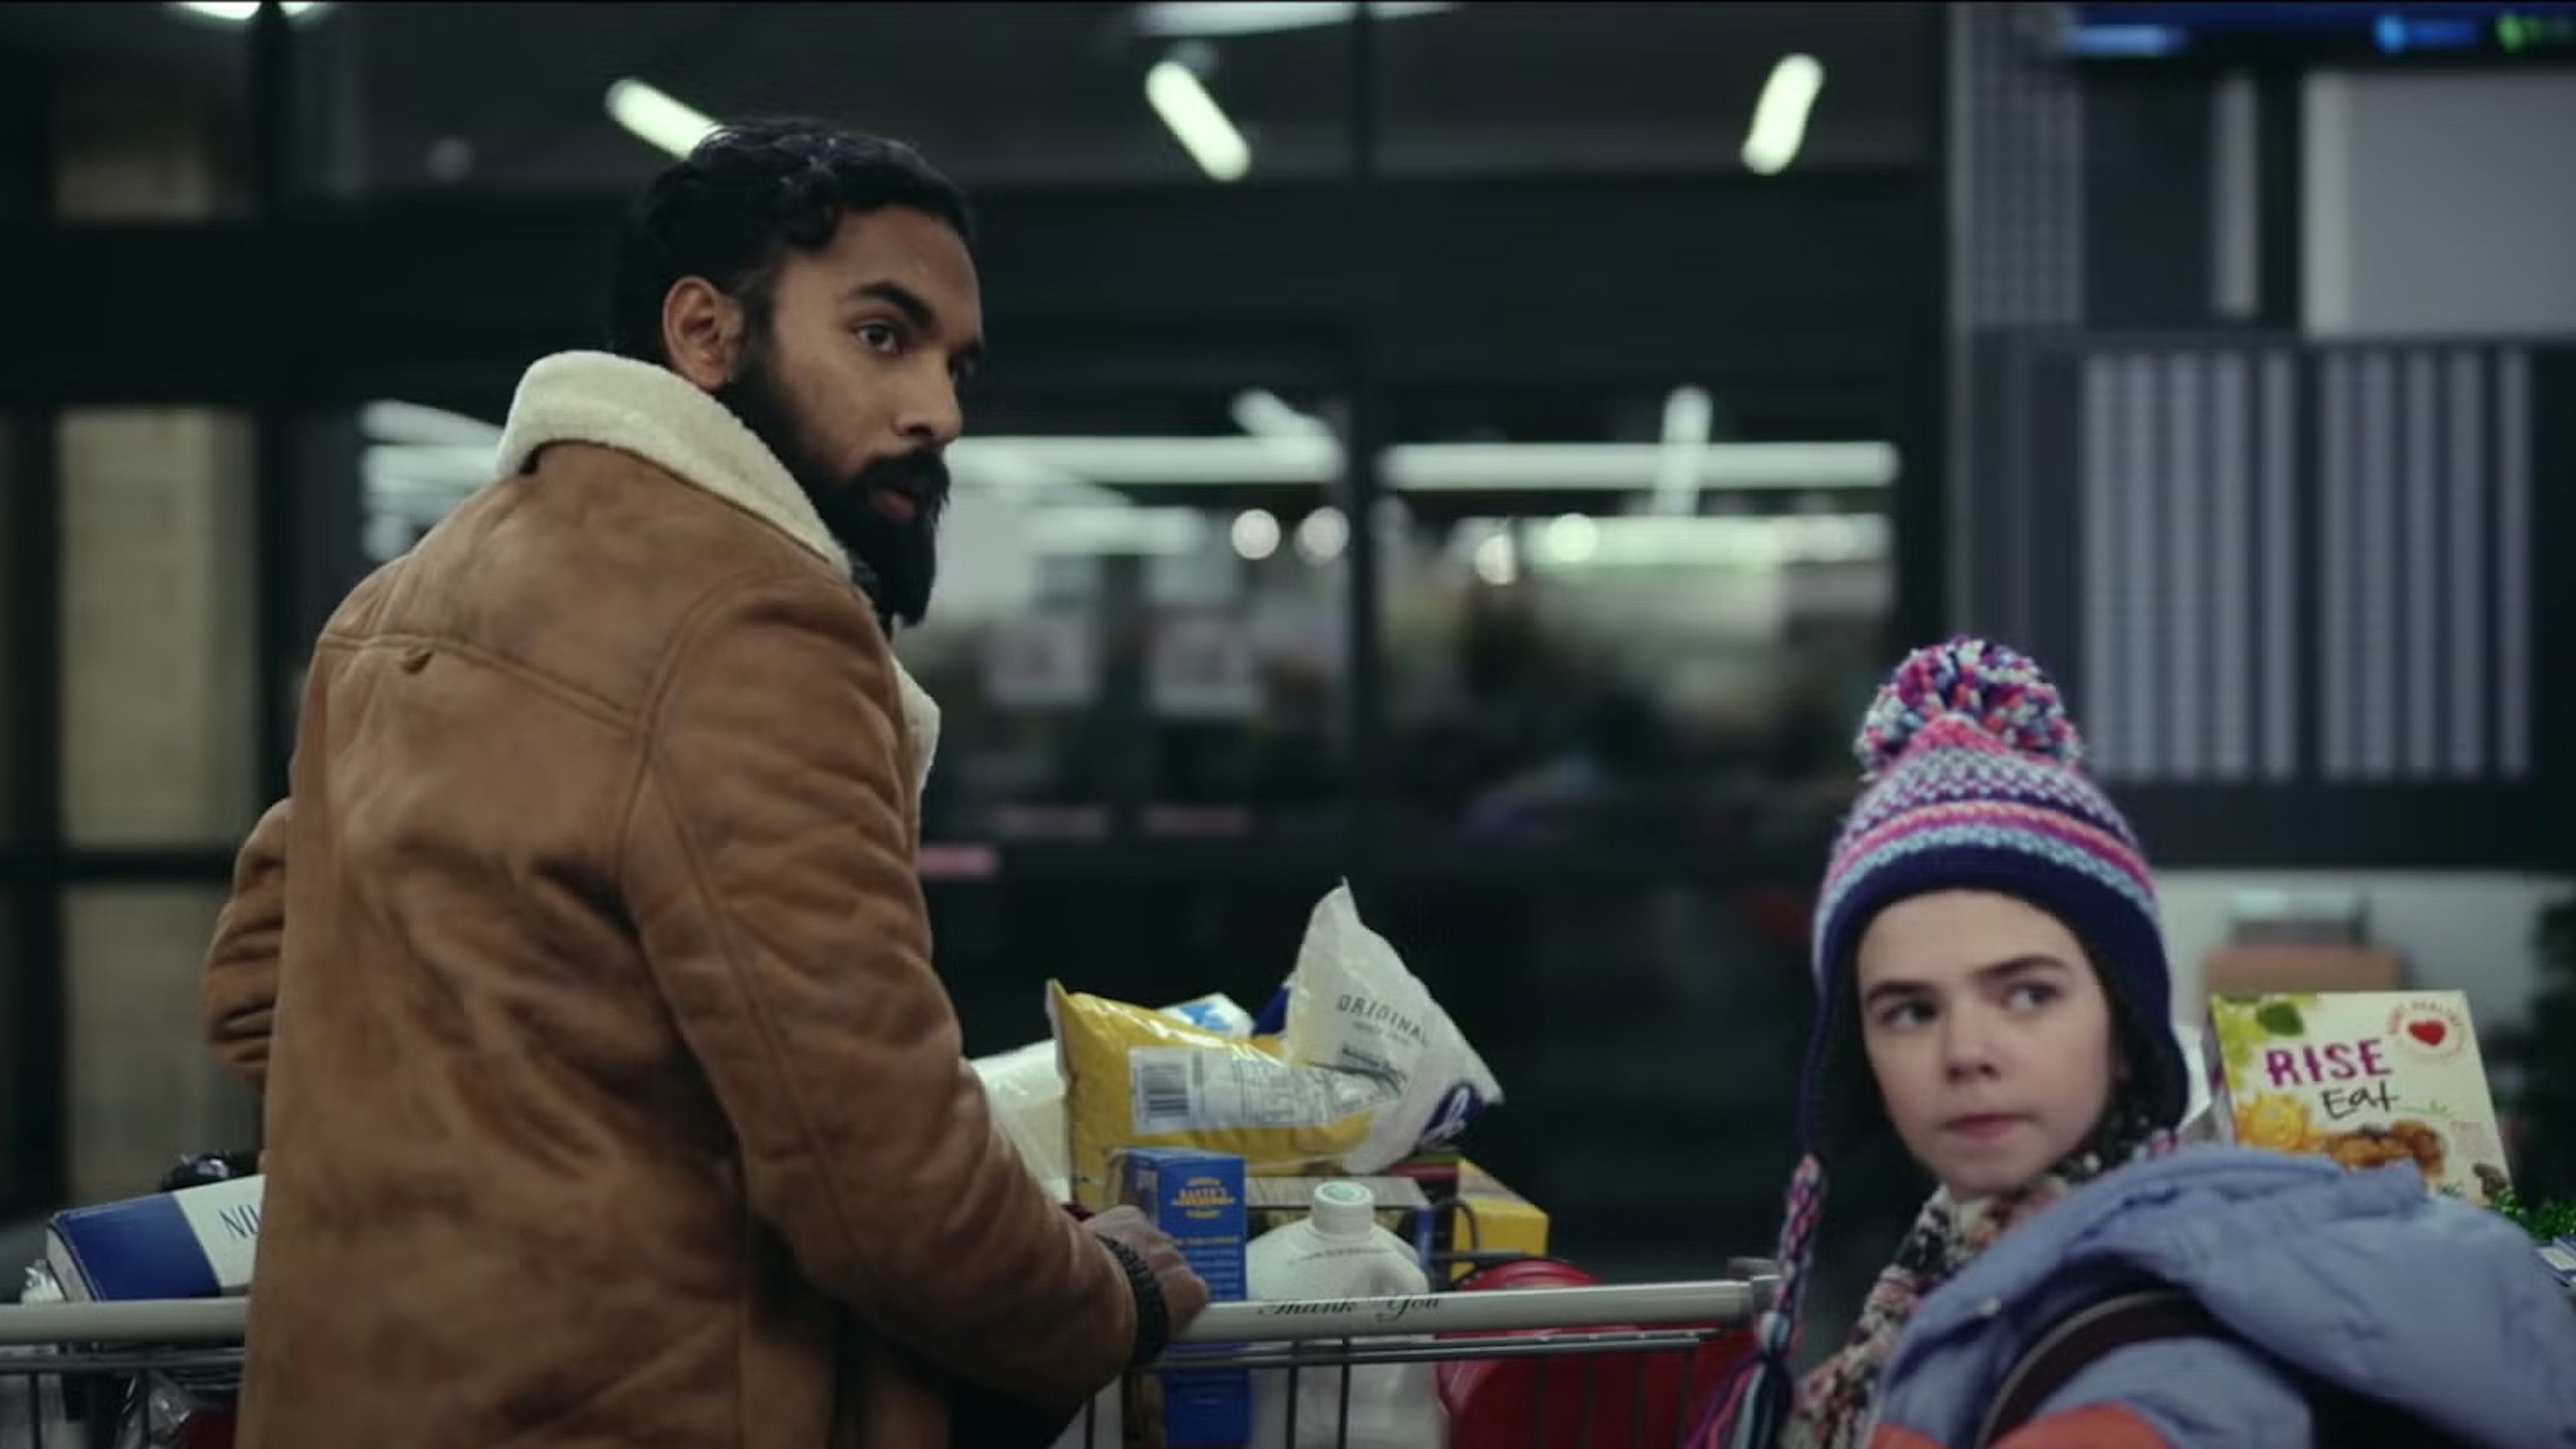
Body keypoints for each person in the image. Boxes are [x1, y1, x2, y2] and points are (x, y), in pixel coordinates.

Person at [198, 120, 1209, 1448]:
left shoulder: (404, 599)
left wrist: (527, 1168)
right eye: (881, 336)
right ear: (704, 333)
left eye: (955, 365)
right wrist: (1109, 1293)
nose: (939, 413)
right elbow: (882, 1180)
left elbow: (259, 988)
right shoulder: (753, 623)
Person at [1698, 639, 2576, 1449]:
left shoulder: (2139, 1357)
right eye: (1909, 1011)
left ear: (2124, 1027)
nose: (1966, 1050)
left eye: (2028, 994)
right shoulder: (1949, 1270)